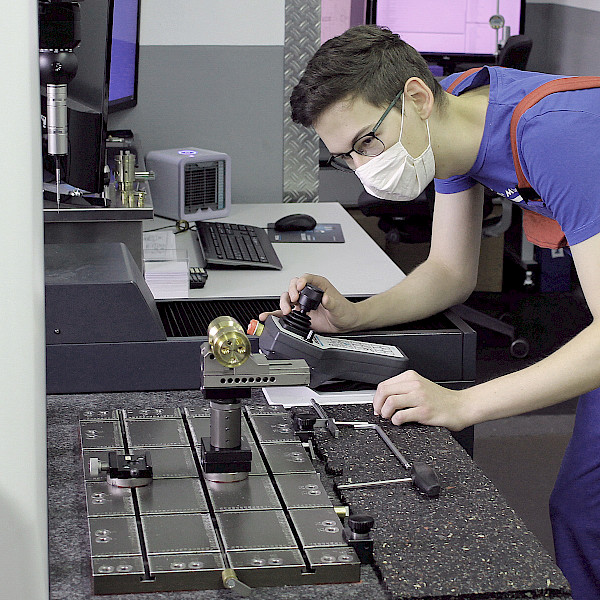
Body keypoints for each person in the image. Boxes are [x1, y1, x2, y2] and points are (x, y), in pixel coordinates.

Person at [259, 25, 600, 598]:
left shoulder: (556, 137)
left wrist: (463, 404)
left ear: (416, 97)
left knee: (589, 516)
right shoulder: (452, 113)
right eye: (346, 157)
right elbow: (449, 270)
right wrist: (354, 317)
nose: (364, 167)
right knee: (582, 513)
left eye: (367, 143)